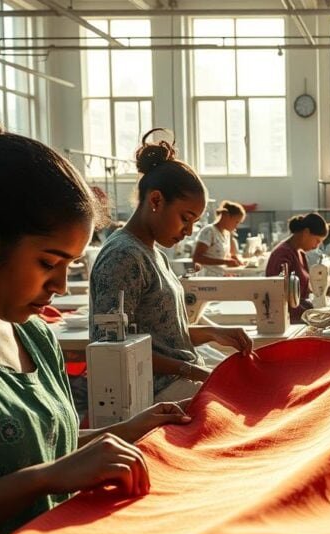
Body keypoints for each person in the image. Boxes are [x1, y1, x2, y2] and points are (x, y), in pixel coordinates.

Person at [0, 83, 192, 534]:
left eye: (70, 265)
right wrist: (44, 479)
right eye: (49, 262)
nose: (60, 286)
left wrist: (124, 433)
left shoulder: (31, 336)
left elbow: (43, 448)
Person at [90, 129, 252, 404]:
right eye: (185, 218)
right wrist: (190, 369)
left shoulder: (153, 254)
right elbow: (115, 349)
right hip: (153, 393)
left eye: (194, 223)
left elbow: (164, 337)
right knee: (251, 405)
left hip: (176, 381)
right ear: (156, 201)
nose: (188, 231)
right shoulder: (123, 257)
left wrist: (213, 333)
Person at [266, 212, 328, 322]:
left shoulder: (300, 253)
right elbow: (280, 295)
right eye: (317, 241)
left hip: (299, 316)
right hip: (286, 319)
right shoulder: (282, 254)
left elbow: (304, 292)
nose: (316, 246)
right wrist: (312, 314)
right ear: (306, 232)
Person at [192, 199, 246, 276]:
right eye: (236, 222)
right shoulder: (209, 231)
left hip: (220, 278)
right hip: (208, 279)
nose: (236, 226)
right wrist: (225, 262)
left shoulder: (226, 234)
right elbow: (197, 258)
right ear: (226, 216)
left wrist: (234, 260)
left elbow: (225, 255)